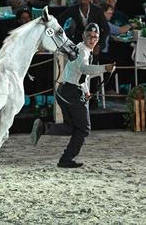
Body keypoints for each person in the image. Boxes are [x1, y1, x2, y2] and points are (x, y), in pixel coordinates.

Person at [30, 23, 115, 168]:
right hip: (71, 93)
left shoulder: (83, 49)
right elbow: (84, 68)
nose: (92, 39)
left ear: (98, 38)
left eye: (95, 37)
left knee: (71, 128)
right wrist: (105, 68)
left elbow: (81, 75)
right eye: (89, 36)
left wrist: (87, 90)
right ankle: (66, 159)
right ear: (83, 36)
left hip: (65, 92)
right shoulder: (82, 50)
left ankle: (44, 128)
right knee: (84, 129)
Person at [100, 3, 136, 94]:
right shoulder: (104, 22)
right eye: (109, 13)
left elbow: (112, 33)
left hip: (102, 52)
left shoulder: (102, 22)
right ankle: (108, 89)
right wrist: (131, 25)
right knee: (120, 62)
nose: (111, 16)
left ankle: (110, 88)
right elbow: (120, 30)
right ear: (103, 12)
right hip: (102, 54)